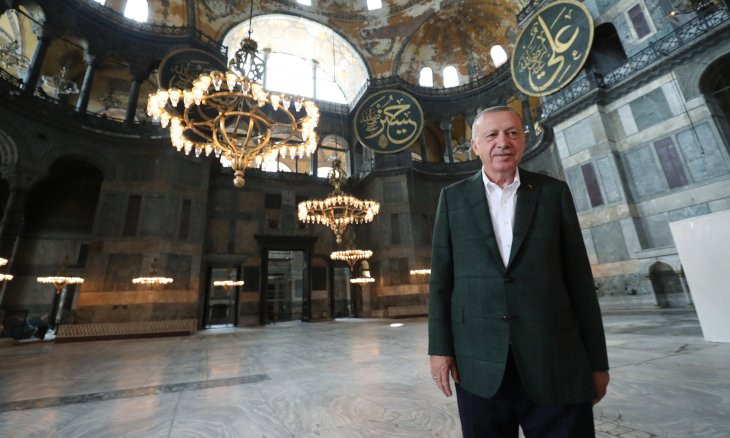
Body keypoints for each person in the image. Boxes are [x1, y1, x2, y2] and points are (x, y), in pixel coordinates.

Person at [428, 106, 609, 437]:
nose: (503, 142)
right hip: (479, 364)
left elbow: (580, 282)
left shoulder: (553, 193)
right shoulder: (452, 199)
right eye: (492, 135)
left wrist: (598, 362)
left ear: (524, 139)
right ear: (475, 146)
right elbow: (441, 282)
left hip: (555, 360)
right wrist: (439, 350)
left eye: (512, 133)